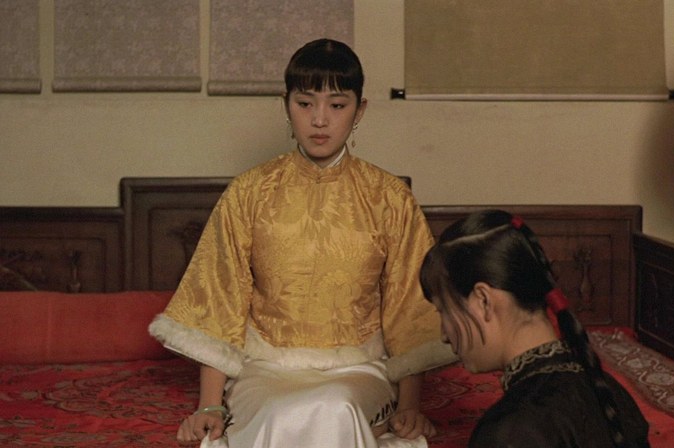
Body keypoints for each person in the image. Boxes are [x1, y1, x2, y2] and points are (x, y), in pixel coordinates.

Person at [149, 38, 455, 448]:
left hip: (358, 369)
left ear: (360, 110)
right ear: (286, 105)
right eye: (305, 103)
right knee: (282, 412)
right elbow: (219, 298)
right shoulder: (249, 192)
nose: (320, 120)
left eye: (337, 104)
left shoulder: (389, 198)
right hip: (266, 368)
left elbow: (410, 307)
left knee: (334, 405)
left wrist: (410, 405)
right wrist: (209, 405)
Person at [419, 210, 650, 448]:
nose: (444, 335)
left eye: (443, 310)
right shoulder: (610, 390)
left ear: (484, 301)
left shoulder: (509, 430)